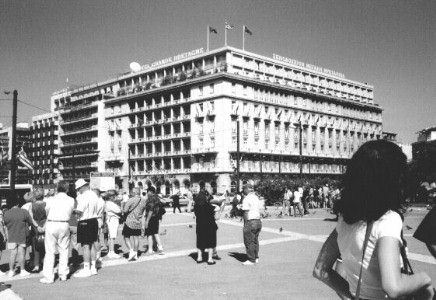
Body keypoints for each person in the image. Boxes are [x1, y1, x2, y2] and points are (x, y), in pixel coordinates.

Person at [313, 140, 434, 300]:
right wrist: (424, 279)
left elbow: (320, 270)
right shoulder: (388, 220)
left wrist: (350, 294)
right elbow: (393, 287)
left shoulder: (345, 220)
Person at [40, 181, 75, 284]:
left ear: (56, 188)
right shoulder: (71, 200)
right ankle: (63, 274)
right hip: (64, 224)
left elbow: (46, 211)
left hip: (52, 223)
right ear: (67, 189)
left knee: (50, 251)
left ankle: (48, 277)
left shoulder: (50, 199)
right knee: (64, 249)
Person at [4, 192, 43, 277]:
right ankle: (22, 270)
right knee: (22, 252)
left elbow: (6, 224)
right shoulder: (23, 212)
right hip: (22, 235)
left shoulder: (6, 213)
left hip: (11, 235)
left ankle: (11, 271)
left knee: (12, 253)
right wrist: (38, 227)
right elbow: (31, 222)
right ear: (18, 203)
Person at [73, 179, 100, 278]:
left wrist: (73, 211)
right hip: (94, 220)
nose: (78, 191)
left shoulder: (84, 196)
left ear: (82, 187)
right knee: (92, 244)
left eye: (78, 189)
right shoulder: (94, 194)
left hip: (85, 221)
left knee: (85, 246)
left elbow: (80, 211)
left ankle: (86, 268)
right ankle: (93, 267)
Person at [194, 182, 217, 265]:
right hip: (209, 221)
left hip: (200, 222)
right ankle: (210, 259)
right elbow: (211, 209)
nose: (212, 189)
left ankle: (199, 257)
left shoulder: (198, 197)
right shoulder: (208, 198)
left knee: (200, 238)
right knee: (211, 239)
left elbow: (195, 210)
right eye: (210, 187)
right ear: (206, 188)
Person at [122, 187, 147, 261]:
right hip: (138, 221)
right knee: (136, 238)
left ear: (134, 192)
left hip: (129, 221)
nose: (130, 193)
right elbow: (143, 212)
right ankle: (135, 254)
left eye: (131, 192)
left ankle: (131, 251)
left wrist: (122, 205)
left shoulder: (131, 200)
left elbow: (125, 210)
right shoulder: (144, 200)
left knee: (126, 237)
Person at [241, 182, 262, 266]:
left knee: (249, 241)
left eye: (243, 189)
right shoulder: (256, 197)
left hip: (250, 221)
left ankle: (251, 259)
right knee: (255, 240)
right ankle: (256, 257)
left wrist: (245, 223)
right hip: (258, 221)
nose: (243, 191)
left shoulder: (246, 199)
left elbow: (246, 212)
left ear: (247, 189)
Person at [144, 186, 165, 255]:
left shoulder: (151, 199)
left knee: (149, 234)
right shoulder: (157, 198)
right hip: (156, 218)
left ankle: (150, 250)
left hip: (151, 218)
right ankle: (160, 248)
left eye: (148, 191)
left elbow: (150, 210)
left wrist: (147, 220)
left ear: (151, 192)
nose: (147, 193)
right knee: (155, 233)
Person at [30, 189, 47, 272]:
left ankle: (36, 265)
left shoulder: (32, 205)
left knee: (36, 246)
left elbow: (31, 217)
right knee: (46, 245)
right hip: (45, 225)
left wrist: (37, 226)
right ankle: (45, 263)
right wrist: (43, 226)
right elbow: (48, 216)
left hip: (35, 227)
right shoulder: (46, 204)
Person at [104, 190, 122, 259]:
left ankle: (110, 251)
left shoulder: (108, 203)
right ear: (111, 197)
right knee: (112, 236)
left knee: (111, 236)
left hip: (111, 219)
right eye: (114, 196)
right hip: (113, 219)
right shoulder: (110, 203)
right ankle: (112, 252)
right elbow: (118, 210)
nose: (115, 197)